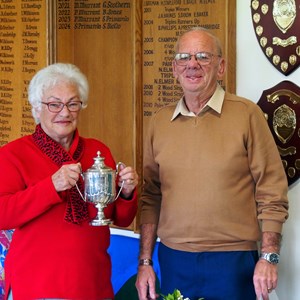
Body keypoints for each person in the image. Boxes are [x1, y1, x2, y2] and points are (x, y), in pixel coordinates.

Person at [135, 27, 289, 300]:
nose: (192, 64)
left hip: (234, 261)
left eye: (203, 56)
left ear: (221, 67)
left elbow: (271, 190)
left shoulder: (247, 115)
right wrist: (145, 262)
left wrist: (269, 257)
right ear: (174, 68)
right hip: (174, 259)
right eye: (184, 57)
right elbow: (151, 196)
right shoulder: (158, 122)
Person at [0, 63, 138, 300]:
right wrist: (50, 186)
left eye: (73, 104)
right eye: (54, 104)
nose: (64, 113)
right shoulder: (13, 154)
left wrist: (126, 192)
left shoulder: (98, 150)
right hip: (37, 285)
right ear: (36, 107)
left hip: (93, 283)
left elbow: (121, 218)